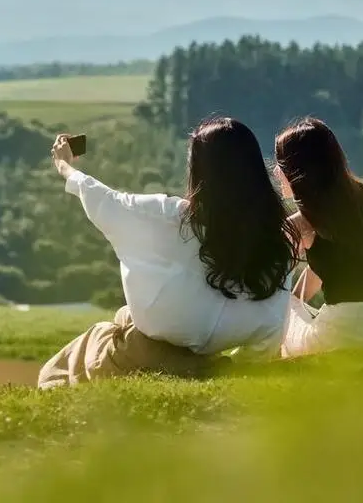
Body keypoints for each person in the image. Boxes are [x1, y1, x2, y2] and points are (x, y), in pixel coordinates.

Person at [37, 116, 299, 389]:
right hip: (208, 360)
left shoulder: (172, 219)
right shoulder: (276, 245)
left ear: (198, 171)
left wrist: (64, 165)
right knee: (124, 316)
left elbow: (105, 200)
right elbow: (270, 330)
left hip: (149, 353)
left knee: (60, 369)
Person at [274, 117, 363, 358]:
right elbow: (329, 262)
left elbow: (271, 281)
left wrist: (293, 305)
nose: (276, 171)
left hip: (346, 333)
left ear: (294, 171)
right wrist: (299, 302)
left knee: (282, 305)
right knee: (293, 304)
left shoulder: (300, 224)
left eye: (280, 165)